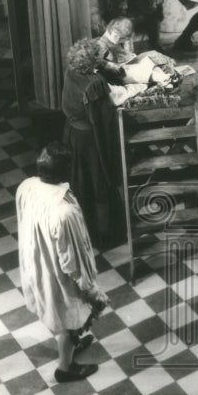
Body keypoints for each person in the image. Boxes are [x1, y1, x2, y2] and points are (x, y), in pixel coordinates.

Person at [17, 142, 109, 383]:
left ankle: (69, 347)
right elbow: (71, 260)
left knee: (57, 312)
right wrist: (91, 289)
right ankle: (65, 368)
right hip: (58, 273)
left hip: (38, 263)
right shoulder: (63, 211)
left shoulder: (27, 186)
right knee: (68, 317)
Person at [61, 38, 123, 247]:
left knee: (80, 182)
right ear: (92, 61)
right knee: (99, 183)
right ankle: (104, 234)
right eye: (98, 56)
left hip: (72, 133)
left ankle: (82, 229)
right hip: (90, 140)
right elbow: (105, 120)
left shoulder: (71, 71)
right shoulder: (95, 84)